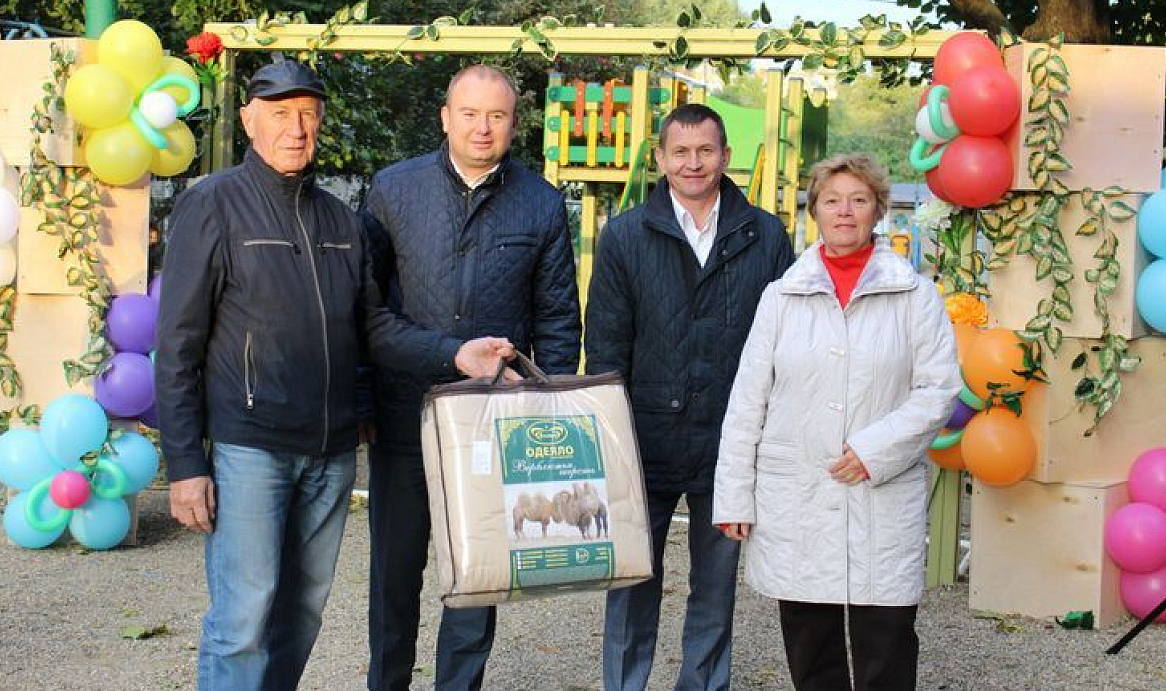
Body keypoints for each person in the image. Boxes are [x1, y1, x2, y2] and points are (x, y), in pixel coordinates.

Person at [155, 58, 514, 691]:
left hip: (330, 452)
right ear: (248, 119)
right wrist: (185, 464)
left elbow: (373, 328)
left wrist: (456, 353)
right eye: (278, 114)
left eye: (306, 116)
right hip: (250, 446)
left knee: (302, 609)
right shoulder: (211, 205)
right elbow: (178, 342)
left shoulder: (341, 222)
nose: (294, 129)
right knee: (242, 618)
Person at [359, 64, 581, 691]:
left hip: (493, 425)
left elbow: (559, 315)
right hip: (406, 416)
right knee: (394, 576)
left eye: (497, 116)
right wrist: (360, 398)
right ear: (445, 117)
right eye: (470, 114)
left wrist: (548, 411)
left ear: (514, 123)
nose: (483, 128)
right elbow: (363, 309)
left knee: (478, 575)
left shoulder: (540, 201)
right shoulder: (392, 190)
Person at [713, 153, 961, 691]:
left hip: (881, 495)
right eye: (831, 200)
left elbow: (938, 389)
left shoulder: (914, 296)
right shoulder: (781, 297)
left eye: (858, 200)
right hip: (797, 495)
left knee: (887, 642)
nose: (844, 212)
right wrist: (733, 496)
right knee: (811, 646)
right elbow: (747, 400)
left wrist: (876, 450)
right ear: (814, 211)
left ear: (878, 210)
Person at [584, 102, 794, 691]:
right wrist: (609, 438)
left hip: (729, 440)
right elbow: (604, 344)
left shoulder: (764, 234)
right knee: (630, 580)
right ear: (661, 158)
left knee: (715, 587)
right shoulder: (626, 234)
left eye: (706, 151)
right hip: (642, 440)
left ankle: (702, 685)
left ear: (725, 156)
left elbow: (784, 345)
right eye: (681, 152)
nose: (694, 163)